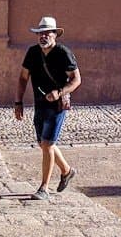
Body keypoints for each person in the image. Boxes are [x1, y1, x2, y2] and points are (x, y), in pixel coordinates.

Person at [13, 15, 80, 200]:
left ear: (55, 34)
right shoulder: (33, 53)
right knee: (45, 144)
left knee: (47, 144)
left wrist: (59, 92)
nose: (43, 36)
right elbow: (23, 77)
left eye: (47, 33)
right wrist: (18, 102)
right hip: (39, 104)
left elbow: (76, 79)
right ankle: (67, 171)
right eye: (40, 33)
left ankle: (44, 188)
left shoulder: (63, 53)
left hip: (57, 105)